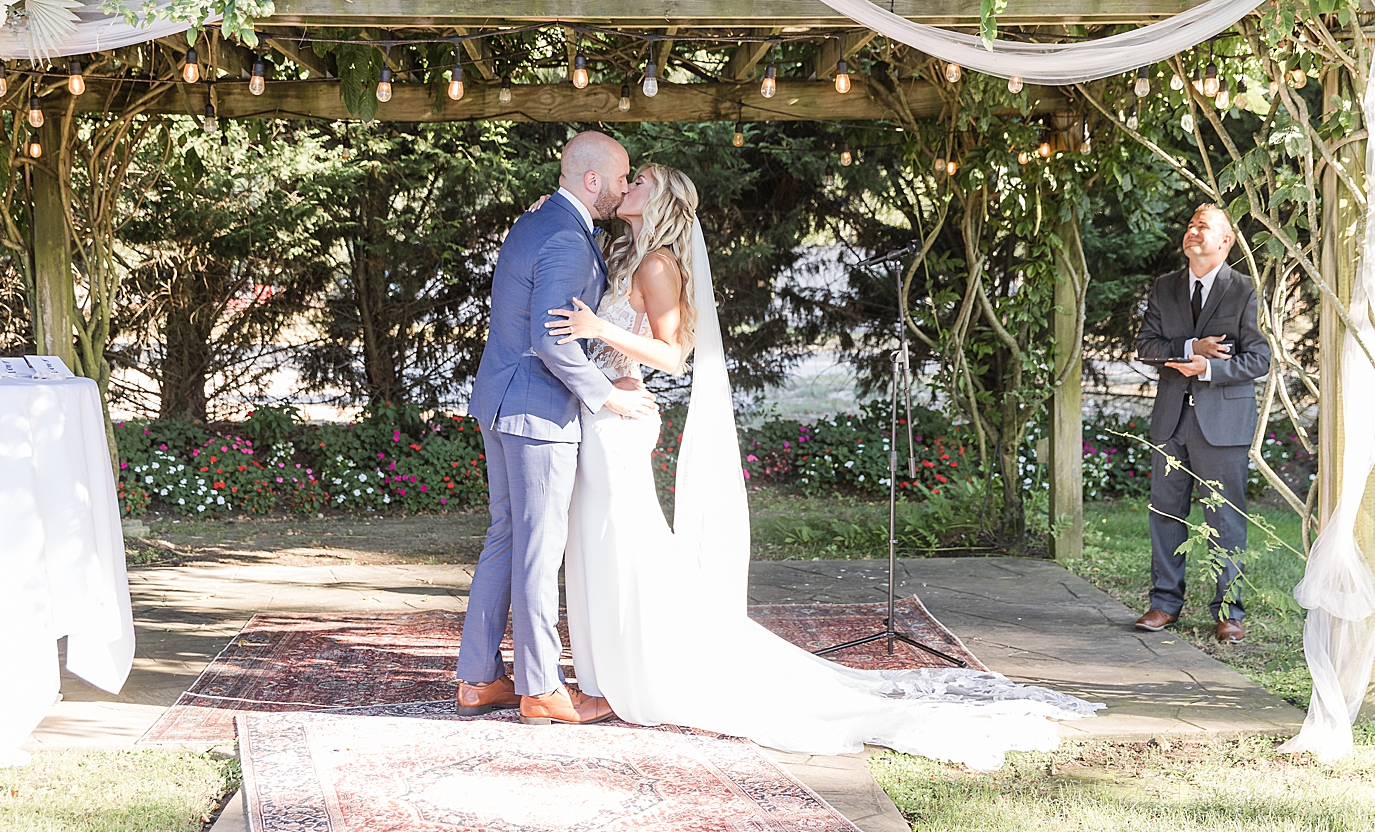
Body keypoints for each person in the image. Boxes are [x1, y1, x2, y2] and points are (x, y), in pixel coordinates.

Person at [539, 162, 1103, 771]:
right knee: (602, 546)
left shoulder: (657, 265)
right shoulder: (626, 256)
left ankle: (644, 668)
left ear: (664, 199)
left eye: (640, 179)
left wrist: (599, 328)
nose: (629, 186)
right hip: (602, 418)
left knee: (627, 545)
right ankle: (611, 666)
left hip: (621, 422)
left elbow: (674, 355)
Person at [457, 131, 658, 726]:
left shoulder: (539, 222)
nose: (624, 188)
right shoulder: (567, 238)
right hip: (538, 411)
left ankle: (478, 679)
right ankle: (541, 688)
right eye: (620, 178)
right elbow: (551, 338)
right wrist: (606, 399)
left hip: (501, 400)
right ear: (591, 181)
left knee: (508, 538)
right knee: (539, 552)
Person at [1134, 203, 1271, 643]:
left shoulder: (1243, 290)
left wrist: (1207, 370)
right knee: (1165, 512)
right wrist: (1191, 347)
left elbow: (1260, 358)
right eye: (1191, 224)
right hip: (1171, 420)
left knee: (1224, 518)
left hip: (1223, 421)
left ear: (1225, 241)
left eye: (1204, 227)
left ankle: (1229, 612)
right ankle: (1163, 604)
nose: (1193, 231)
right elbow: (1147, 346)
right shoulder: (1165, 287)